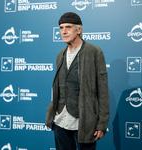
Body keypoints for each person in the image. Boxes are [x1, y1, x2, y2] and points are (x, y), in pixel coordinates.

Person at [45, 12, 110, 150]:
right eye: (61, 28)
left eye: (68, 27)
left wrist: (102, 123)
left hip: (84, 122)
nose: (64, 31)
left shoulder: (94, 52)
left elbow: (103, 92)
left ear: (79, 29)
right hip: (60, 121)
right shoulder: (60, 54)